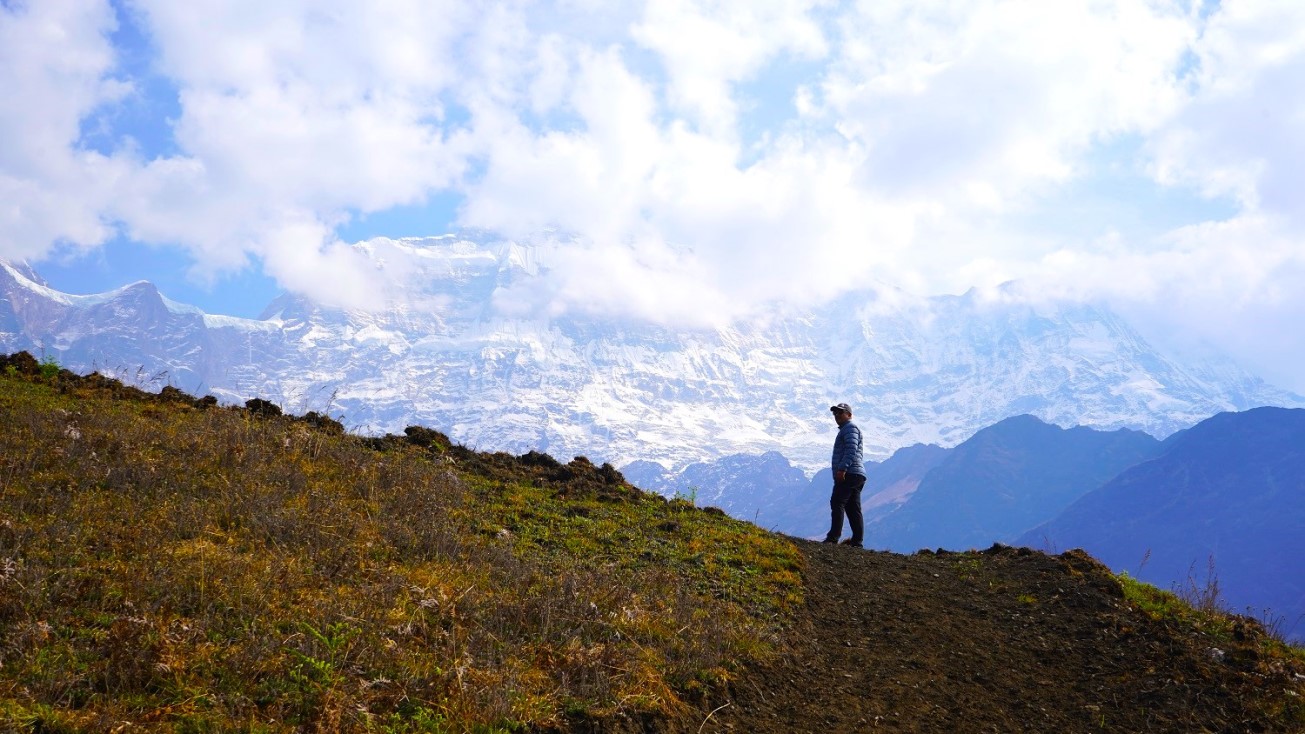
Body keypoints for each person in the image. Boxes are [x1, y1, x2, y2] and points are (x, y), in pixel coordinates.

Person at [824, 402, 867, 547]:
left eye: (840, 412)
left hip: (849, 472)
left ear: (849, 414)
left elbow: (851, 449)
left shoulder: (850, 428)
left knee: (837, 502)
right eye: (835, 413)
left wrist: (842, 469)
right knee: (853, 508)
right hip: (856, 474)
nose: (837, 416)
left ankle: (833, 537)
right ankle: (857, 542)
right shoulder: (846, 429)